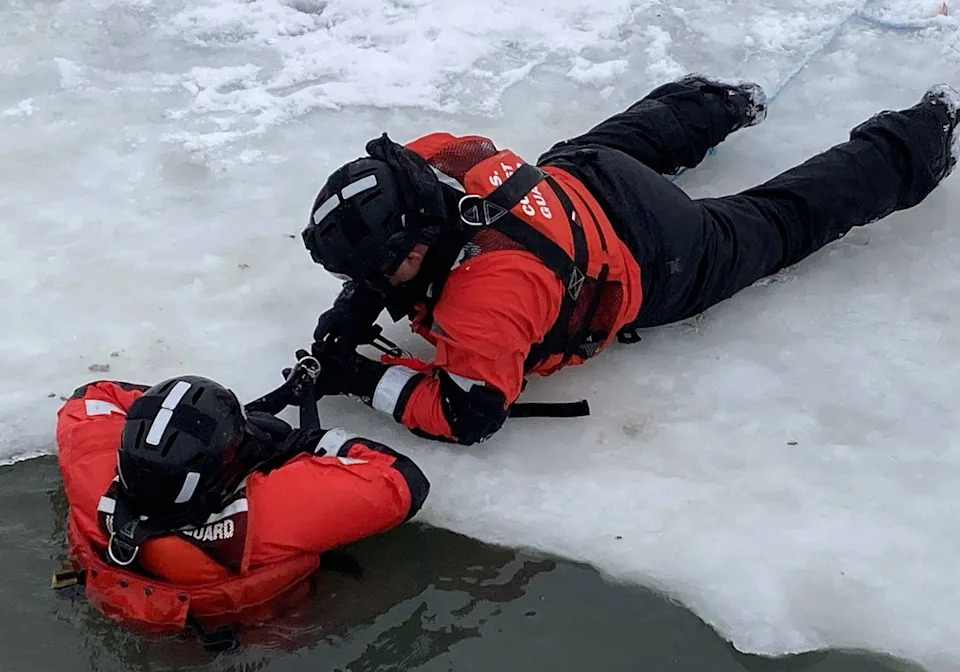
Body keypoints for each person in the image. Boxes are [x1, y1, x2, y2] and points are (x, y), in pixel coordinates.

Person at [299, 74, 960, 446]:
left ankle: (920, 138)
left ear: (413, 244)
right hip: (587, 182)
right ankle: (719, 101)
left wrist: (361, 377)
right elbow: (455, 185)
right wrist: (356, 306)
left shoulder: (487, 302)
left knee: (781, 219)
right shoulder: (431, 159)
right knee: (593, 149)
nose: (364, 284)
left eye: (371, 271)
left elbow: (469, 412)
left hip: (660, 254)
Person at [54, 359, 429, 647]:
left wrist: (166, 419)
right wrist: (304, 443)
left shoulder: (90, 472)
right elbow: (404, 480)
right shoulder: (275, 514)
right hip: (255, 636)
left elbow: (93, 394)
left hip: (119, 607)